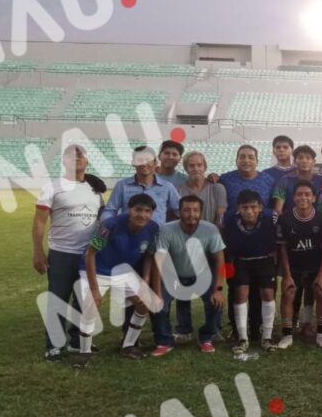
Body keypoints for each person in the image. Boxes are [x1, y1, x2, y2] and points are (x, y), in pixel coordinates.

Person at [33, 145, 105, 361]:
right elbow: (39, 220)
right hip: (62, 253)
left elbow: (102, 219)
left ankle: (76, 340)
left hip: (89, 255)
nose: (77, 158)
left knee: (84, 301)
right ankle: (54, 345)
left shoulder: (95, 189)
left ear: (87, 161)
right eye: (72, 156)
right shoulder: (52, 187)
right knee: (58, 300)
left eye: (81, 154)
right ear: (63, 161)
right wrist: (38, 251)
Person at [76, 193, 162, 367]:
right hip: (97, 270)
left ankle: (128, 346)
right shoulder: (109, 225)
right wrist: (94, 288)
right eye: (138, 210)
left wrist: (145, 282)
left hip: (124, 272)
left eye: (147, 211)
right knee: (91, 305)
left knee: (145, 303)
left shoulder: (153, 228)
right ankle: (84, 353)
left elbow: (149, 256)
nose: (142, 215)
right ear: (129, 210)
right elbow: (90, 254)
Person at [150, 195, 227, 356]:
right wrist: (156, 292)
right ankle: (164, 341)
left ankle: (207, 337)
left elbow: (220, 260)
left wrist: (218, 289)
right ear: (179, 212)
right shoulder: (166, 229)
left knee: (216, 302)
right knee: (158, 305)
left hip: (201, 275)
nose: (191, 214)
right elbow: (159, 260)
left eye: (195, 210)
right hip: (173, 275)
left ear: (201, 212)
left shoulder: (210, 229)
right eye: (186, 210)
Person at [222, 190, 281, 354]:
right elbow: (222, 238)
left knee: (268, 294)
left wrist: (276, 253)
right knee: (240, 293)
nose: (249, 211)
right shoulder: (228, 219)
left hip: (264, 259)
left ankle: (267, 337)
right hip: (240, 260)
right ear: (238, 208)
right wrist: (227, 264)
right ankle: (242, 338)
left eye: (253, 207)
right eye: (245, 207)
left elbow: (280, 237)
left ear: (260, 207)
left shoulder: (272, 217)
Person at [277, 182, 322, 348]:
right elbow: (283, 247)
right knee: (288, 294)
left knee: (320, 292)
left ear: (314, 198)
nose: (303, 197)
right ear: (293, 197)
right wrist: (286, 275)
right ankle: (287, 336)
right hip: (293, 267)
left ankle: (321, 334)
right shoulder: (285, 219)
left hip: (315, 266)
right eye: (299, 194)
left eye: (307, 194)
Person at [102, 145, 179, 226]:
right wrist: (107, 224)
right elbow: (110, 210)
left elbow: (179, 210)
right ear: (133, 163)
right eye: (139, 160)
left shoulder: (167, 187)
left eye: (148, 160)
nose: (144, 163)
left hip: (157, 235)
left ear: (155, 163)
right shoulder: (122, 185)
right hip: (128, 235)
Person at [219, 145, 278, 214]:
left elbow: (275, 206)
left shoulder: (269, 180)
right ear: (236, 161)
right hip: (233, 223)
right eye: (242, 157)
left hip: (263, 223)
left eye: (251, 157)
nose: (246, 160)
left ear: (257, 161)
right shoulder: (225, 179)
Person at [272, 145, 322, 215]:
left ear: (314, 162)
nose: (304, 161)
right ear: (294, 161)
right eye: (300, 158)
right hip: (290, 221)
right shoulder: (285, 180)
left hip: (316, 222)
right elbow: (278, 209)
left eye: (308, 158)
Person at [176, 151, 227, 225]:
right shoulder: (178, 190)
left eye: (199, 165)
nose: (196, 169)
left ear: (205, 167)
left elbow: (220, 217)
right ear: (186, 169)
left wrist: (215, 235)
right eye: (191, 165)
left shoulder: (217, 189)